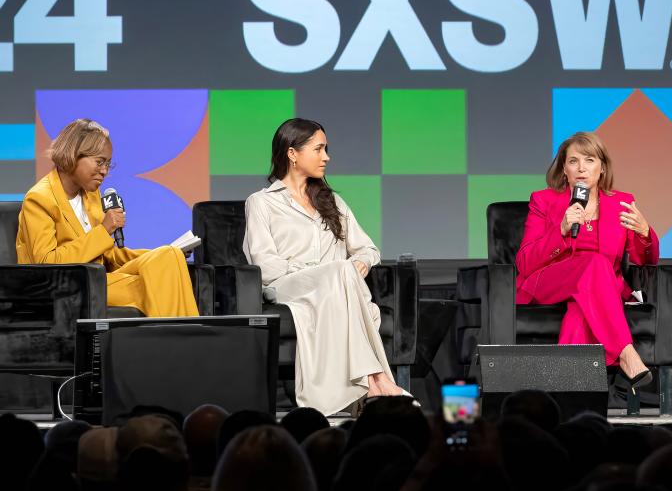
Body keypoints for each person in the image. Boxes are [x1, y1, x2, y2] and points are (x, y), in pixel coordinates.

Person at [243, 118, 406, 415]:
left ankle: (370, 382)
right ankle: (376, 378)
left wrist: (360, 262)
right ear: (292, 154)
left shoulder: (332, 201)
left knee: (342, 273)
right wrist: (322, 273)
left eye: (326, 149)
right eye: (318, 149)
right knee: (339, 274)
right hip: (287, 286)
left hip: (336, 290)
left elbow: (369, 248)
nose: (326, 156)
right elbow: (265, 265)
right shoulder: (261, 203)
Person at [515, 131, 659, 391]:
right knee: (594, 263)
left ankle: (569, 395)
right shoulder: (543, 201)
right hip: (549, 282)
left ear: (602, 168)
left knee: (580, 310)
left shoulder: (622, 203)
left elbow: (646, 260)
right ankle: (626, 353)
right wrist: (559, 230)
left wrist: (645, 233)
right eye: (573, 161)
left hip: (598, 289)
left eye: (589, 160)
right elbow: (524, 263)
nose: (581, 168)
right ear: (564, 169)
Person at [16, 118, 198, 317]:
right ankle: (180, 345)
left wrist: (164, 252)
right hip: (66, 286)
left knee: (168, 256)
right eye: (99, 162)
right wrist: (103, 230)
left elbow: (108, 255)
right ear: (73, 155)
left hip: (100, 278)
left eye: (108, 164)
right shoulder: (40, 199)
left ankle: (187, 340)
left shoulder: (90, 194)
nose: (104, 171)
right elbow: (46, 264)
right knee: (155, 286)